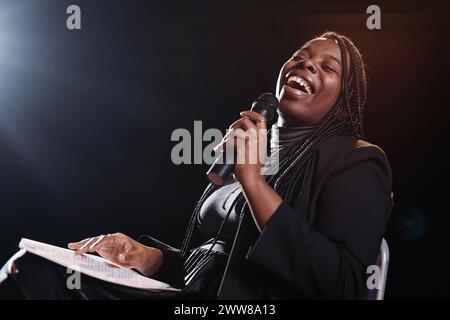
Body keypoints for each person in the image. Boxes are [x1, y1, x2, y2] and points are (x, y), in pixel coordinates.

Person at [0, 31, 393, 300]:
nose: (305, 65)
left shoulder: (357, 160)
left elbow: (342, 285)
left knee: (36, 276)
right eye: (300, 57)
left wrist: (253, 182)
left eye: (328, 67)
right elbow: (214, 263)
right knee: (33, 268)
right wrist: (150, 258)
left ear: (344, 102)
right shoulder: (251, 150)